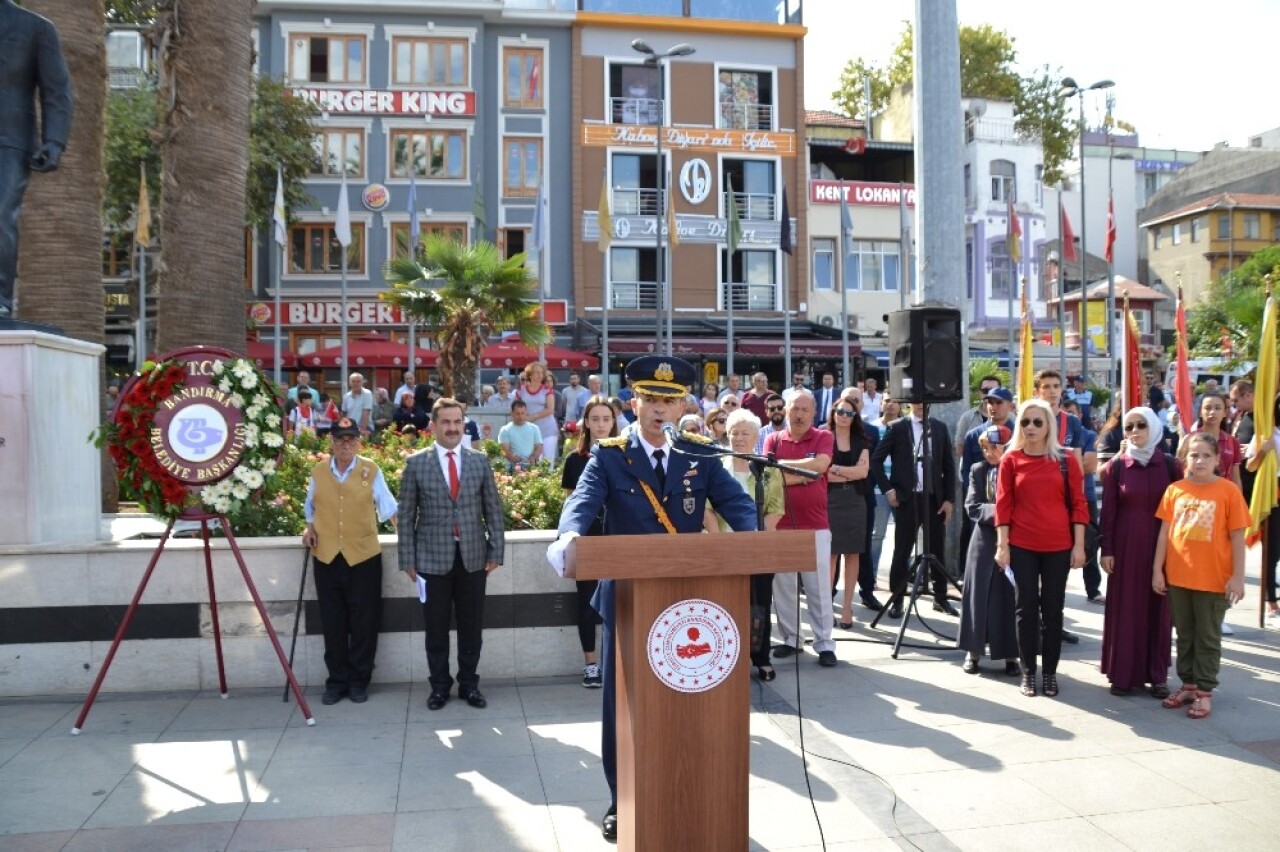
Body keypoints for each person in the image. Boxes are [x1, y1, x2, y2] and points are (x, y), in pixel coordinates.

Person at [549, 355, 757, 841]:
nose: (659, 409)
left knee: (682, 700)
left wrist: (751, 539)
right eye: (650, 400)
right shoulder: (610, 454)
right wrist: (567, 536)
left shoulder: (699, 453)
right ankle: (621, 799)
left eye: (669, 400)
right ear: (634, 402)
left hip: (687, 602)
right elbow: (581, 501)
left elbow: (736, 503)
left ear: (683, 402)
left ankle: (682, 786)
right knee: (621, 708)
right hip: (627, 600)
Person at [398, 398, 505, 712]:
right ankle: (440, 687)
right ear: (433, 426)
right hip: (431, 560)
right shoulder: (416, 463)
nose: (452, 428)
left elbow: (493, 511)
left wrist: (496, 550)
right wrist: (407, 559)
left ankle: (470, 684)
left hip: (473, 558)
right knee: (436, 627)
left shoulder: (478, 461)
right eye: (445, 422)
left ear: (464, 423)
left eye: (457, 422)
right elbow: (406, 516)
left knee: (472, 626)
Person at [994, 399, 1089, 699]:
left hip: (1059, 546)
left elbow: (1079, 505)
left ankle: (1049, 673)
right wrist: (1002, 546)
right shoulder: (1010, 460)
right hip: (1022, 545)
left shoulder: (1065, 460)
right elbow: (1003, 505)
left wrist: (1080, 546)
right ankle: (1027, 672)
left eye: (1038, 421)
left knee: (1053, 611)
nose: (1031, 427)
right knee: (1025, 610)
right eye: (1025, 422)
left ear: (1049, 425)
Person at [1153, 432, 1249, 720]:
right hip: (1179, 578)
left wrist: (1238, 577)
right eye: (1194, 455)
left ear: (1218, 459)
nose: (1200, 460)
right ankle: (1188, 684)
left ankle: (1205, 692)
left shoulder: (1228, 491)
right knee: (1184, 635)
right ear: (1185, 459)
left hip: (1213, 579)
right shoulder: (1175, 490)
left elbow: (1237, 536)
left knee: (1207, 637)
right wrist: (1158, 570)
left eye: (1207, 455)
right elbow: (1164, 534)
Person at [301, 418, 398, 705]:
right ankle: (336, 681)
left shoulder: (371, 469)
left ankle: (359, 681)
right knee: (333, 622)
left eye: (351, 439)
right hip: (327, 557)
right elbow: (310, 506)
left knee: (364, 622)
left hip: (363, 556)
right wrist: (308, 528)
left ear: (359, 442)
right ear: (331, 442)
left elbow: (389, 507)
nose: (346, 444)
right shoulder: (319, 471)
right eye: (340, 439)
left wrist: (406, 535)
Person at [1100, 407, 1180, 697]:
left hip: (1162, 545)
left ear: (1155, 428)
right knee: (1126, 608)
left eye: (1141, 425)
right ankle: (1123, 674)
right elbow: (1108, 510)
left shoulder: (1171, 465)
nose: (1134, 431)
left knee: (1159, 609)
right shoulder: (1117, 466)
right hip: (1125, 547)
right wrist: (1106, 549)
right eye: (1129, 426)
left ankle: (1157, 675)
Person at [0, 0, 72, 316]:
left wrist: (54, 140)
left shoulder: (36, 28)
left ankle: (0, 299)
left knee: (1, 215)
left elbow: (56, 90)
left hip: (11, 140)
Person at [711, 407, 785, 681]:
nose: (739, 438)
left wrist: (755, 541)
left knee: (759, 604)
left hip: (758, 547)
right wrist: (719, 543)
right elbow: (707, 508)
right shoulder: (717, 466)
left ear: (756, 436)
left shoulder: (766, 468)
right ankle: (729, 657)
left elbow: (776, 509)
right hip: (723, 547)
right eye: (734, 432)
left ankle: (761, 656)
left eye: (745, 433)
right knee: (726, 604)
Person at [767, 391, 838, 667]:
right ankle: (791, 639)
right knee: (783, 587)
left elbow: (820, 466)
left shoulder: (823, 437)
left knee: (818, 587)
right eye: (794, 409)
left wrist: (786, 469)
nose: (799, 414)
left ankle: (824, 643)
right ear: (786, 411)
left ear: (813, 413)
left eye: (804, 410)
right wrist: (805, 475)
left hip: (815, 524)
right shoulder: (774, 439)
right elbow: (768, 475)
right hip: (780, 524)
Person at [871, 399, 957, 619]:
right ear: (909, 403)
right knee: (902, 550)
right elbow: (876, 461)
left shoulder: (939, 427)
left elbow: (948, 464)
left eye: (925, 402)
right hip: (907, 499)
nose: (921, 405)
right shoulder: (898, 427)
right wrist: (888, 490)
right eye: (917, 401)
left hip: (933, 498)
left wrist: (948, 499)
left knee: (937, 548)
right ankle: (897, 599)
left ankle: (940, 597)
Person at [559, 395, 616, 688]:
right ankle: (591, 664)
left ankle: (615, 662)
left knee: (619, 603)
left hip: (618, 540)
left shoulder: (624, 455)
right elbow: (570, 502)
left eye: (606, 419)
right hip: (587, 541)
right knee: (587, 604)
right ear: (586, 423)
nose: (601, 425)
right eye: (595, 419)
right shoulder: (575, 459)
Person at [958, 424, 1020, 676]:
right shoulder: (977, 470)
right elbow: (972, 506)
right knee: (977, 596)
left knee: (1009, 596)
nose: (988, 452)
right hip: (983, 540)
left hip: (1014, 539)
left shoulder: (1017, 468)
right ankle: (972, 652)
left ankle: (1011, 655)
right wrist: (1003, 512)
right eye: (984, 447)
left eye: (993, 447)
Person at [826, 393, 871, 630]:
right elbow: (824, 473)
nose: (844, 416)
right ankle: (826, 606)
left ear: (855, 416)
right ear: (833, 414)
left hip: (855, 500)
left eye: (849, 413)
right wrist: (849, 470)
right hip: (829, 499)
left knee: (853, 554)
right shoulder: (824, 436)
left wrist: (838, 469)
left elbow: (863, 473)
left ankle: (846, 607)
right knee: (830, 555)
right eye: (840, 412)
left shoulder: (861, 439)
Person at [960, 387, 1015, 564]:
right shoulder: (973, 435)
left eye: (999, 402)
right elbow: (966, 470)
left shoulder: (1019, 435)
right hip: (983, 511)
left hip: (1013, 515)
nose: (993, 406)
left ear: (1010, 406)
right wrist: (976, 503)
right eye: (990, 402)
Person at [1243, 393, 1280, 625]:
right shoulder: (1266, 433)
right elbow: (1250, 465)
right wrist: (1263, 450)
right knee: (1272, 552)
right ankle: (1271, 602)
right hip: (1274, 496)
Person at [517, 361, 560, 464]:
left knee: (547, 461)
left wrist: (533, 416)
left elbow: (550, 409)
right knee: (532, 460)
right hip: (529, 429)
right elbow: (516, 406)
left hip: (547, 429)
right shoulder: (521, 389)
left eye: (541, 372)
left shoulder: (547, 390)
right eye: (537, 372)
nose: (540, 375)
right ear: (530, 374)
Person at [955, 375, 1002, 457]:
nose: (989, 394)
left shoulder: (1011, 418)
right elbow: (959, 446)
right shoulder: (967, 417)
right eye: (985, 390)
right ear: (980, 393)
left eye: (994, 390)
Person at [498, 399, 543, 471]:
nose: (520, 416)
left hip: (532, 467)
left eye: (522, 413)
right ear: (512, 413)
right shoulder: (505, 430)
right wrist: (519, 461)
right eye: (517, 413)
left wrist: (533, 458)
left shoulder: (534, 428)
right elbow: (505, 451)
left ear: (526, 413)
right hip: (512, 468)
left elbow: (539, 446)